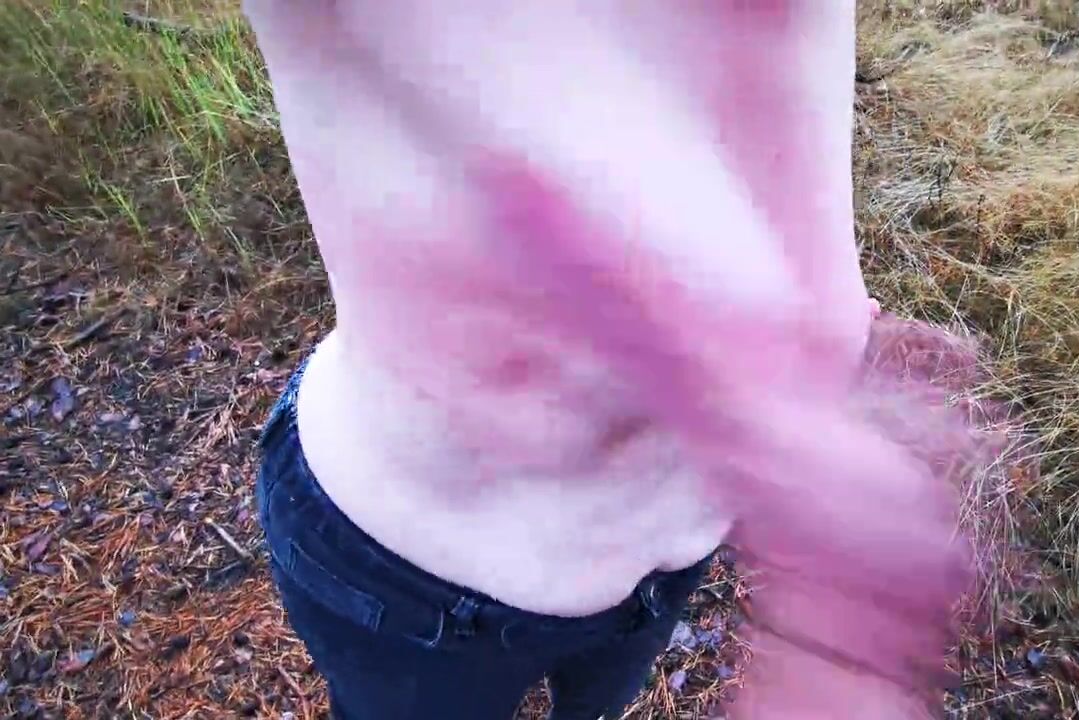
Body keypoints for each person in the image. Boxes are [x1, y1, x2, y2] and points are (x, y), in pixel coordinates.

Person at [246, 2, 1013, 718]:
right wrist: (803, 462)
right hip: (413, 576)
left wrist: (828, 331)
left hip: (674, 540)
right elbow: (516, 111)